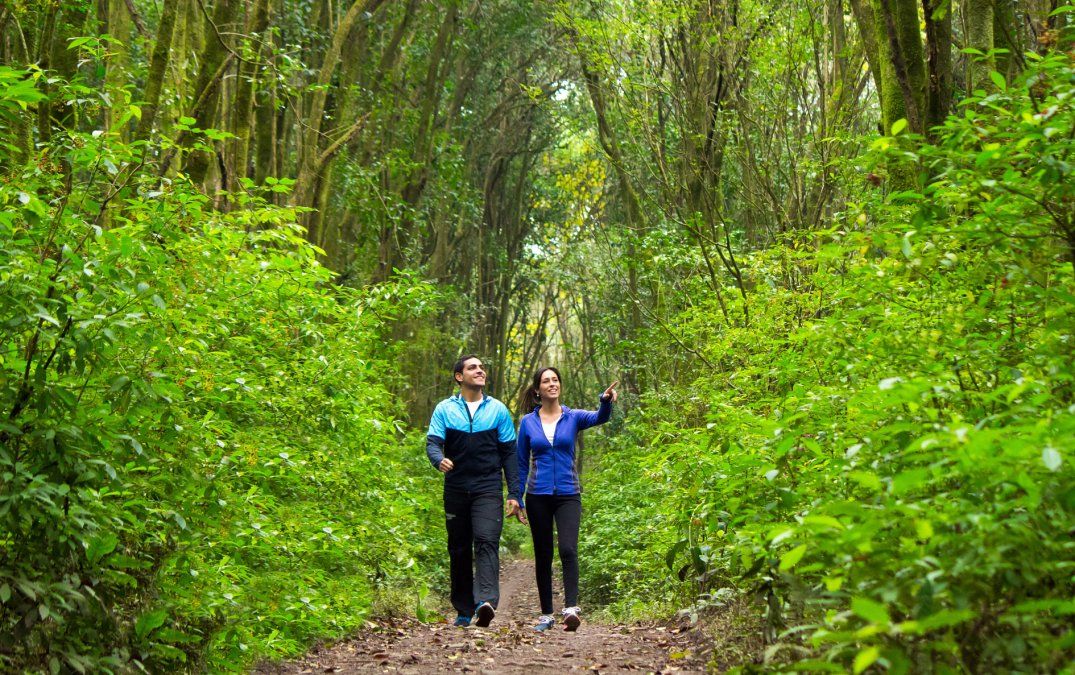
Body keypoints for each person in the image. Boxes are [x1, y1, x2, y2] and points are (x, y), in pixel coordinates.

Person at [517, 367, 618, 632]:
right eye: (546, 381)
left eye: (555, 380)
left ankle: (571, 608)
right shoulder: (528, 422)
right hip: (537, 494)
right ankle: (546, 615)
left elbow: (600, 417)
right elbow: (520, 463)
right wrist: (516, 497)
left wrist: (604, 400)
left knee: (568, 549)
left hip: (568, 493)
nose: (552, 384)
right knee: (543, 554)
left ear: (560, 385)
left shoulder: (573, 417)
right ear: (538, 390)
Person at [426, 355, 523, 628]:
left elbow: (509, 456)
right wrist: (438, 459)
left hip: (488, 488)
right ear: (459, 376)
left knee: (486, 541)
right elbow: (433, 443)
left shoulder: (498, 410)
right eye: (473, 368)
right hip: (455, 488)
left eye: (482, 367)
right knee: (458, 548)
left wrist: (514, 493)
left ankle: (486, 602)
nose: (480, 370)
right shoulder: (445, 409)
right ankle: (463, 609)